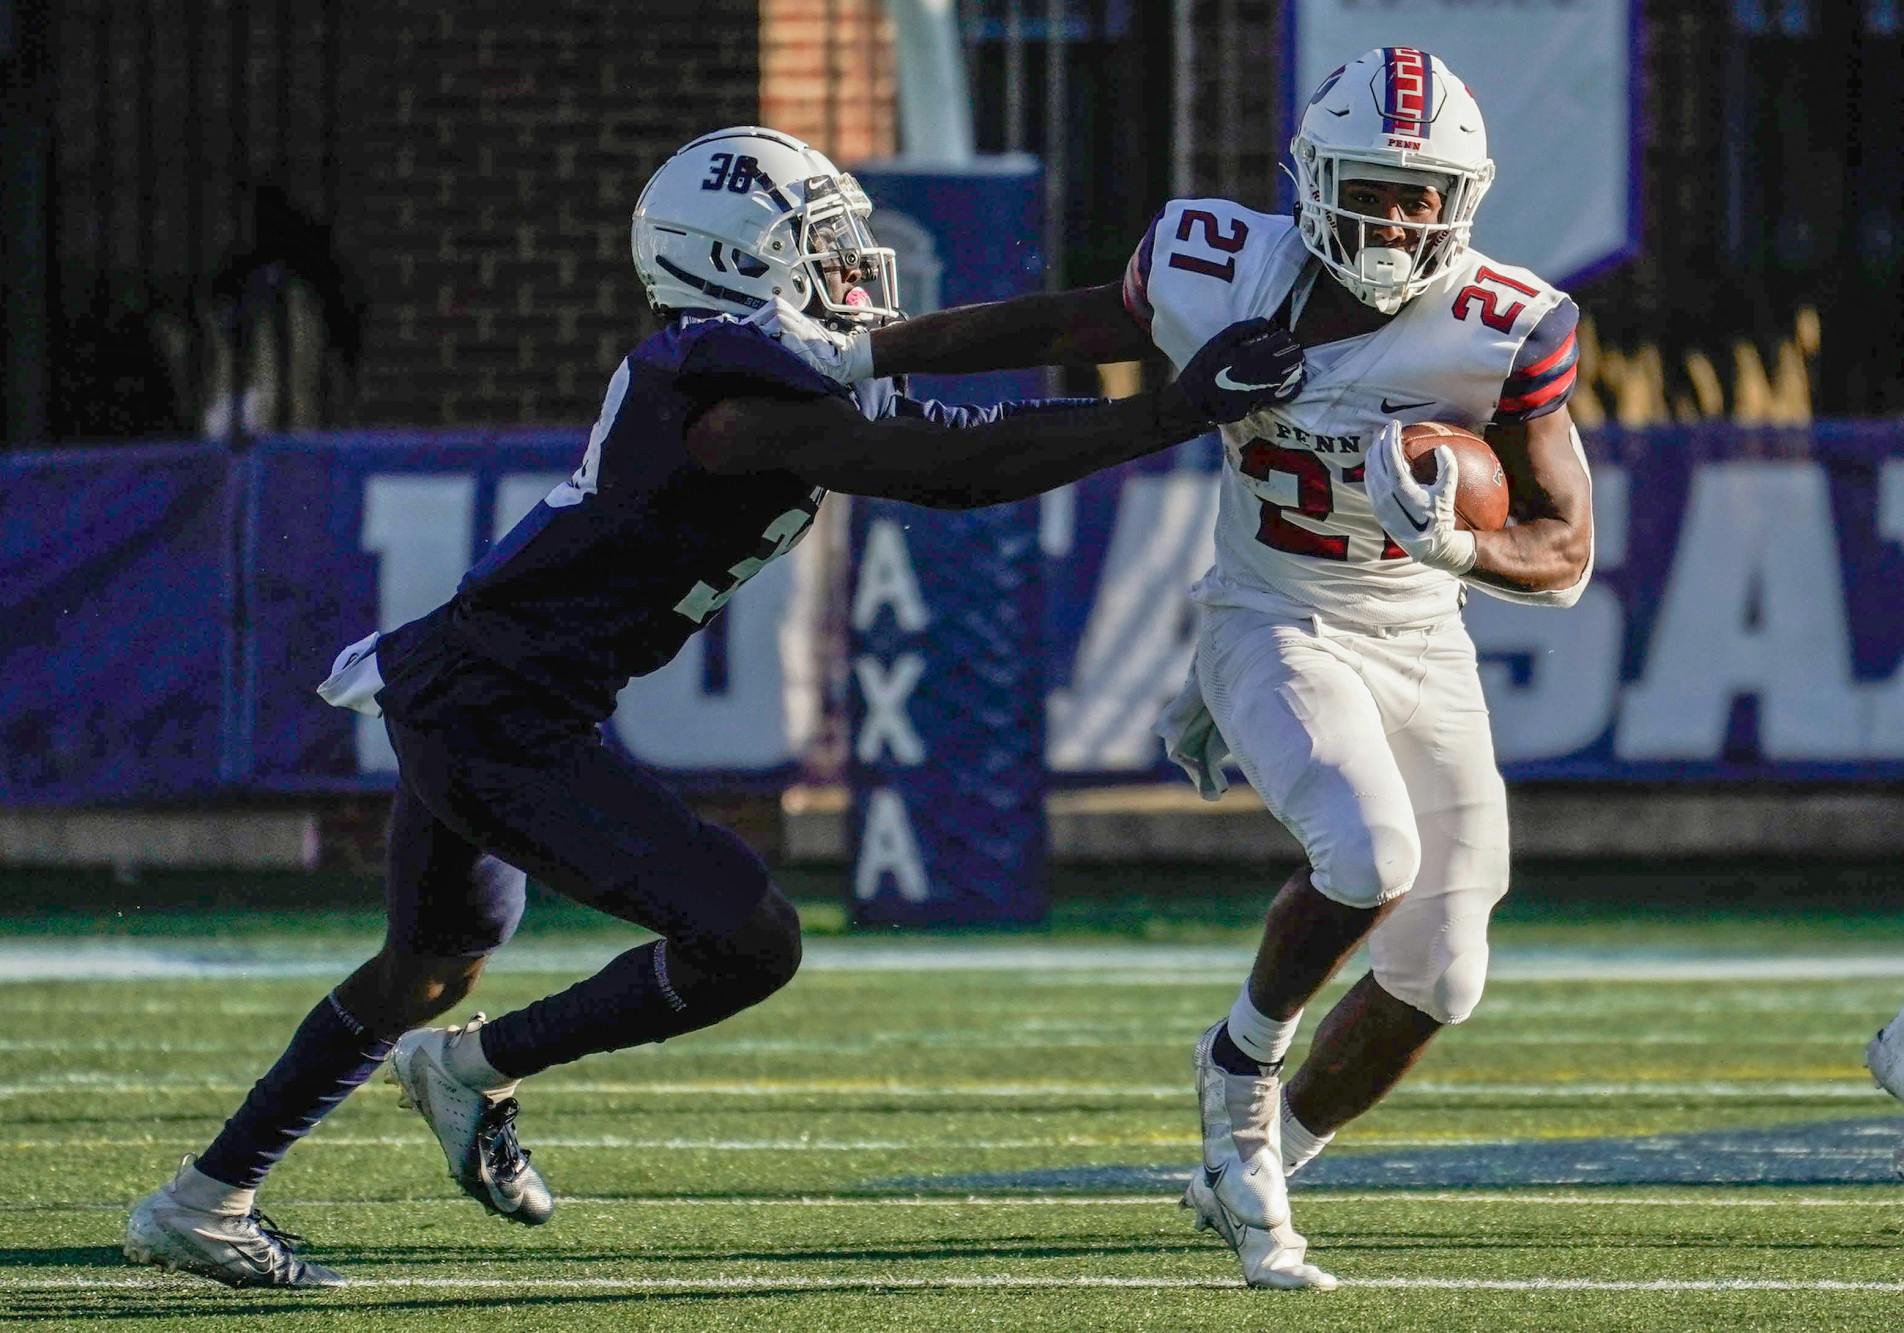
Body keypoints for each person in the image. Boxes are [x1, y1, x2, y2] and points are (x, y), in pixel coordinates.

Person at [120, 125, 1306, 1289]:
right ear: (736, 264)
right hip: (496, 712)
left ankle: (203, 1199)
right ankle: (470, 1072)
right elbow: (955, 468)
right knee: (744, 938)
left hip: (480, 691)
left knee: (430, 963)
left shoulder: (743, 368)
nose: (850, 269)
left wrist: (1139, 313)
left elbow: (948, 351)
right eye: (819, 245)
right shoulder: (724, 396)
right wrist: (1173, 409)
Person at [813, 48, 1596, 1288]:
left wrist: (1457, 540)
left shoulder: (1506, 325)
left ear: (1462, 198)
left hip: (1420, 636)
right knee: (1366, 853)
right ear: (1311, 179)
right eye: (1372, 187)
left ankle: (1257, 1155)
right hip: (1269, 614)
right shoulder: (1214, 260)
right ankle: (1238, 1067)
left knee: (1442, 972)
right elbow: (1064, 321)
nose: (1394, 217)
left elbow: (1561, 553)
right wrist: (878, 352)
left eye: (1419, 194)